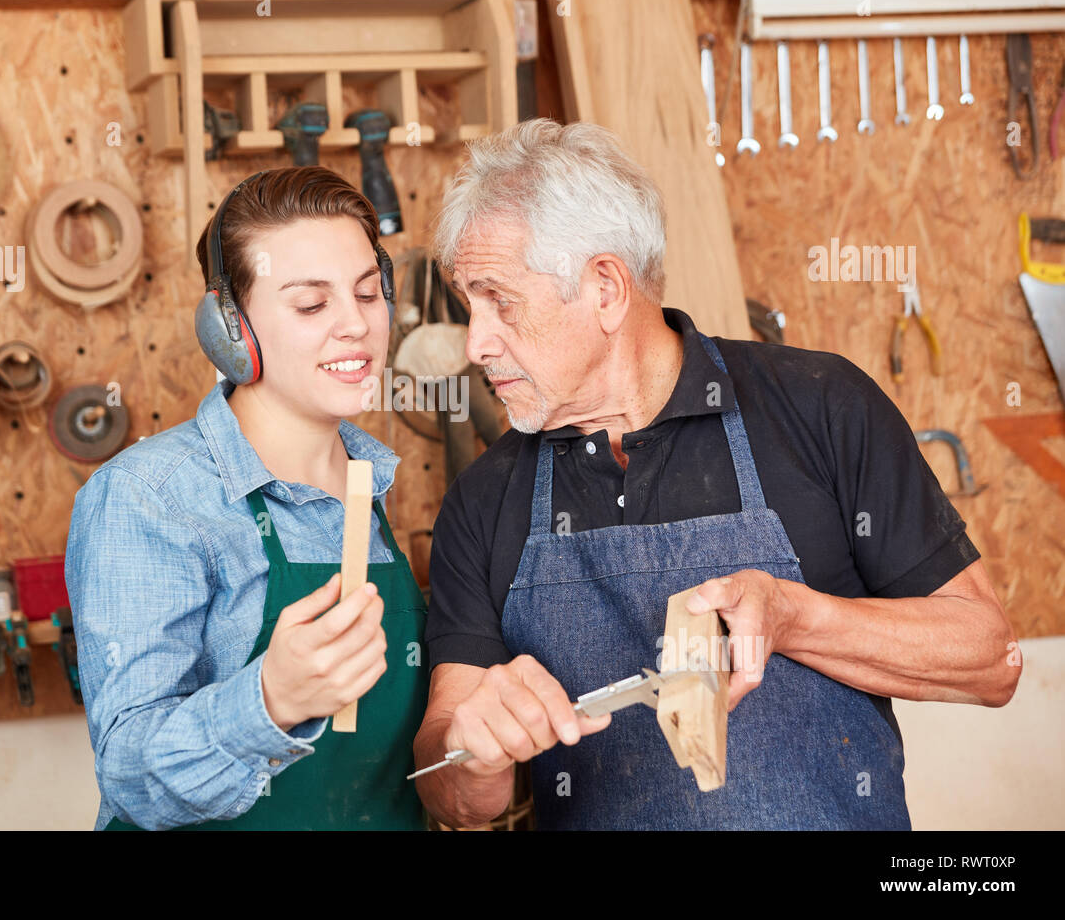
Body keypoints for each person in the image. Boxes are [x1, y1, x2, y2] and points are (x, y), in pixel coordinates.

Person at [412, 118, 1021, 830]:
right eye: (468, 307)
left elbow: (992, 658)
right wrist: (471, 752)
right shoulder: (484, 500)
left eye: (500, 302)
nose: (475, 343)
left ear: (605, 288)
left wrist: (795, 617)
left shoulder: (819, 407)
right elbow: (443, 788)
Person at [65, 167, 429, 830]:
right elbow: (129, 775)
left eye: (369, 293)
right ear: (231, 329)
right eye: (312, 305)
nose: (356, 325)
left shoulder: (370, 486)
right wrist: (268, 700)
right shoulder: (149, 498)